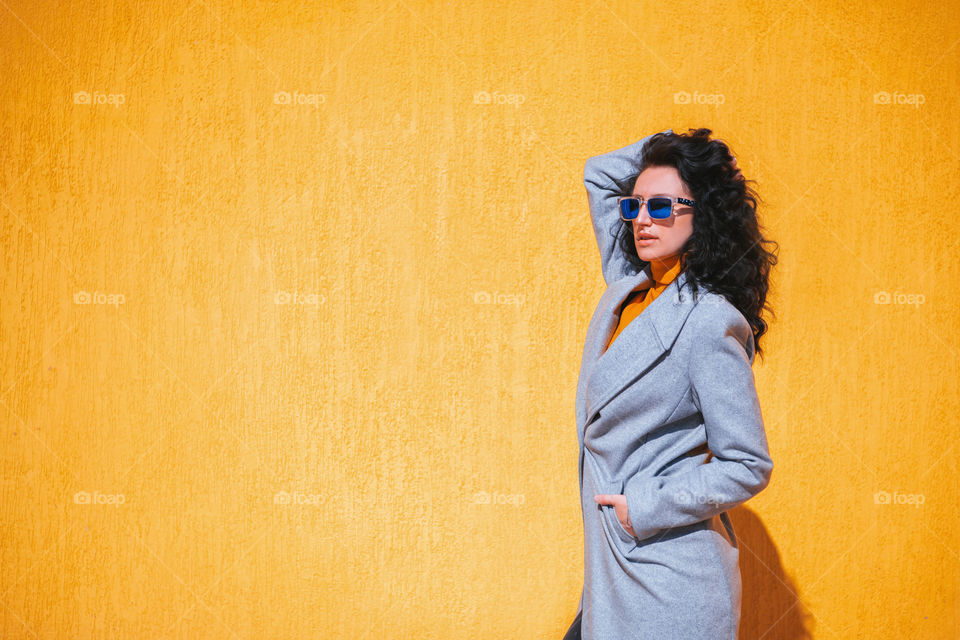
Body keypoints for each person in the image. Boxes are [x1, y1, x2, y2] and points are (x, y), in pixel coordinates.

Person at [563, 128, 778, 639]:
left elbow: (747, 464)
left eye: (661, 208)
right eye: (634, 206)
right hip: (612, 574)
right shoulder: (626, 287)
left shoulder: (707, 321)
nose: (642, 220)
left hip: (668, 579)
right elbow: (600, 172)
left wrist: (644, 508)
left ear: (701, 213)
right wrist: (675, 152)